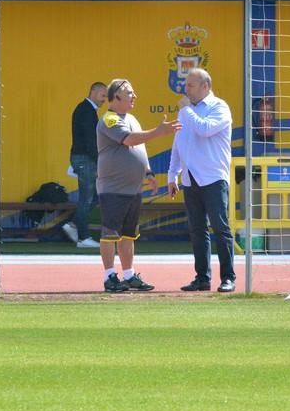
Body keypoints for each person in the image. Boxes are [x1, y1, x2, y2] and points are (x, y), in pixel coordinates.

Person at [97, 78, 182, 293]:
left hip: (133, 189)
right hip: (113, 189)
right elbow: (129, 140)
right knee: (110, 234)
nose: (134, 96)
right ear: (116, 97)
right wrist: (158, 131)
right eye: (130, 92)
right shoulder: (109, 119)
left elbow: (140, 148)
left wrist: (148, 172)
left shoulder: (132, 118)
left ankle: (129, 275)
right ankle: (109, 277)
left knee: (129, 234)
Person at [167, 68, 237, 293]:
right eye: (186, 85)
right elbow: (179, 142)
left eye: (191, 85)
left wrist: (186, 110)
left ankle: (228, 278)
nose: (185, 89)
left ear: (205, 86)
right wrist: (172, 174)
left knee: (220, 227)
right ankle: (202, 278)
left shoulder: (219, 107)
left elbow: (205, 130)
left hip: (213, 176)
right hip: (190, 178)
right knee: (197, 230)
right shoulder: (187, 112)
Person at [62, 82, 107, 248]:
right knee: (87, 198)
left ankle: (73, 225)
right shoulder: (86, 110)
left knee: (93, 196)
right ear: (94, 92)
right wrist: (99, 160)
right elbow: (90, 141)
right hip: (84, 159)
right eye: (103, 95)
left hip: (83, 159)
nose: (105, 100)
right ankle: (83, 238)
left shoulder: (86, 109)